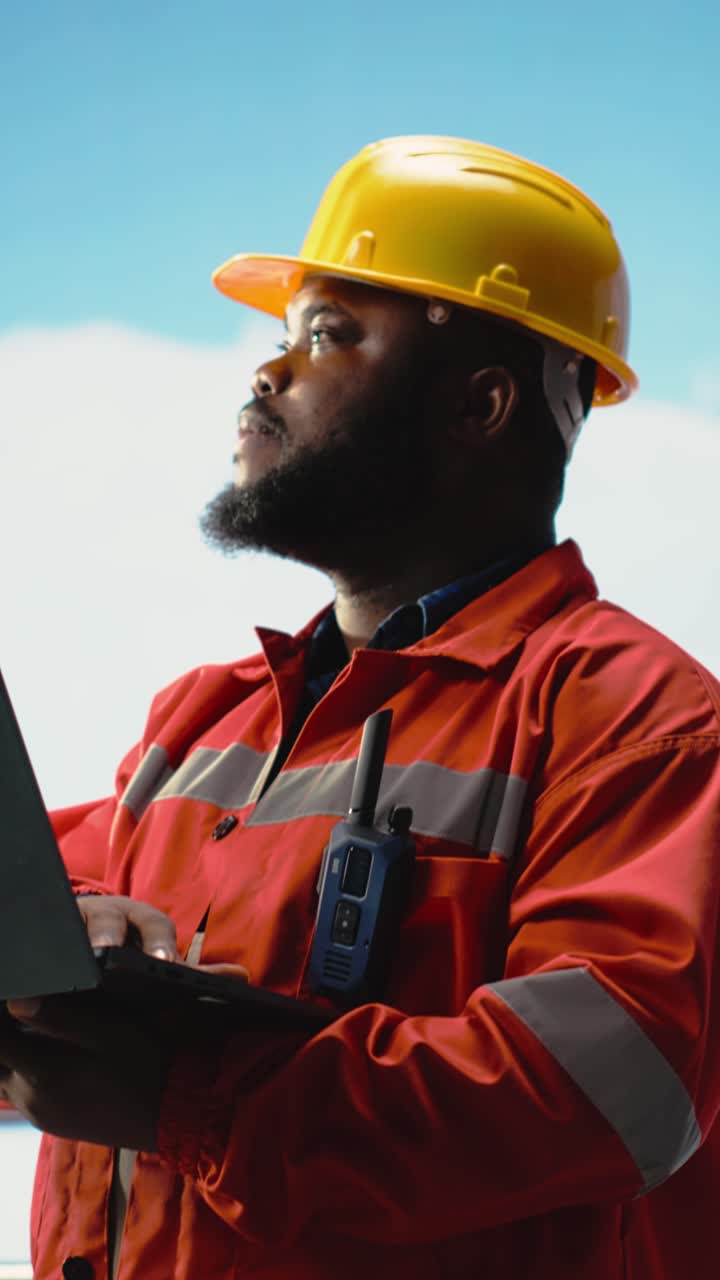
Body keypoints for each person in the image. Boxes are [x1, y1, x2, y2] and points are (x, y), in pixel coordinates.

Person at [1, 135, 719, 1280]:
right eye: (280, 336)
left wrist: (192, 1104)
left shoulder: (631, 715)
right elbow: (37, 882)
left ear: (481, 404)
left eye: (330, 333)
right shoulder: (202, 722)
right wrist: (77, 926)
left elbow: (616, 1083)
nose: (267, 375)